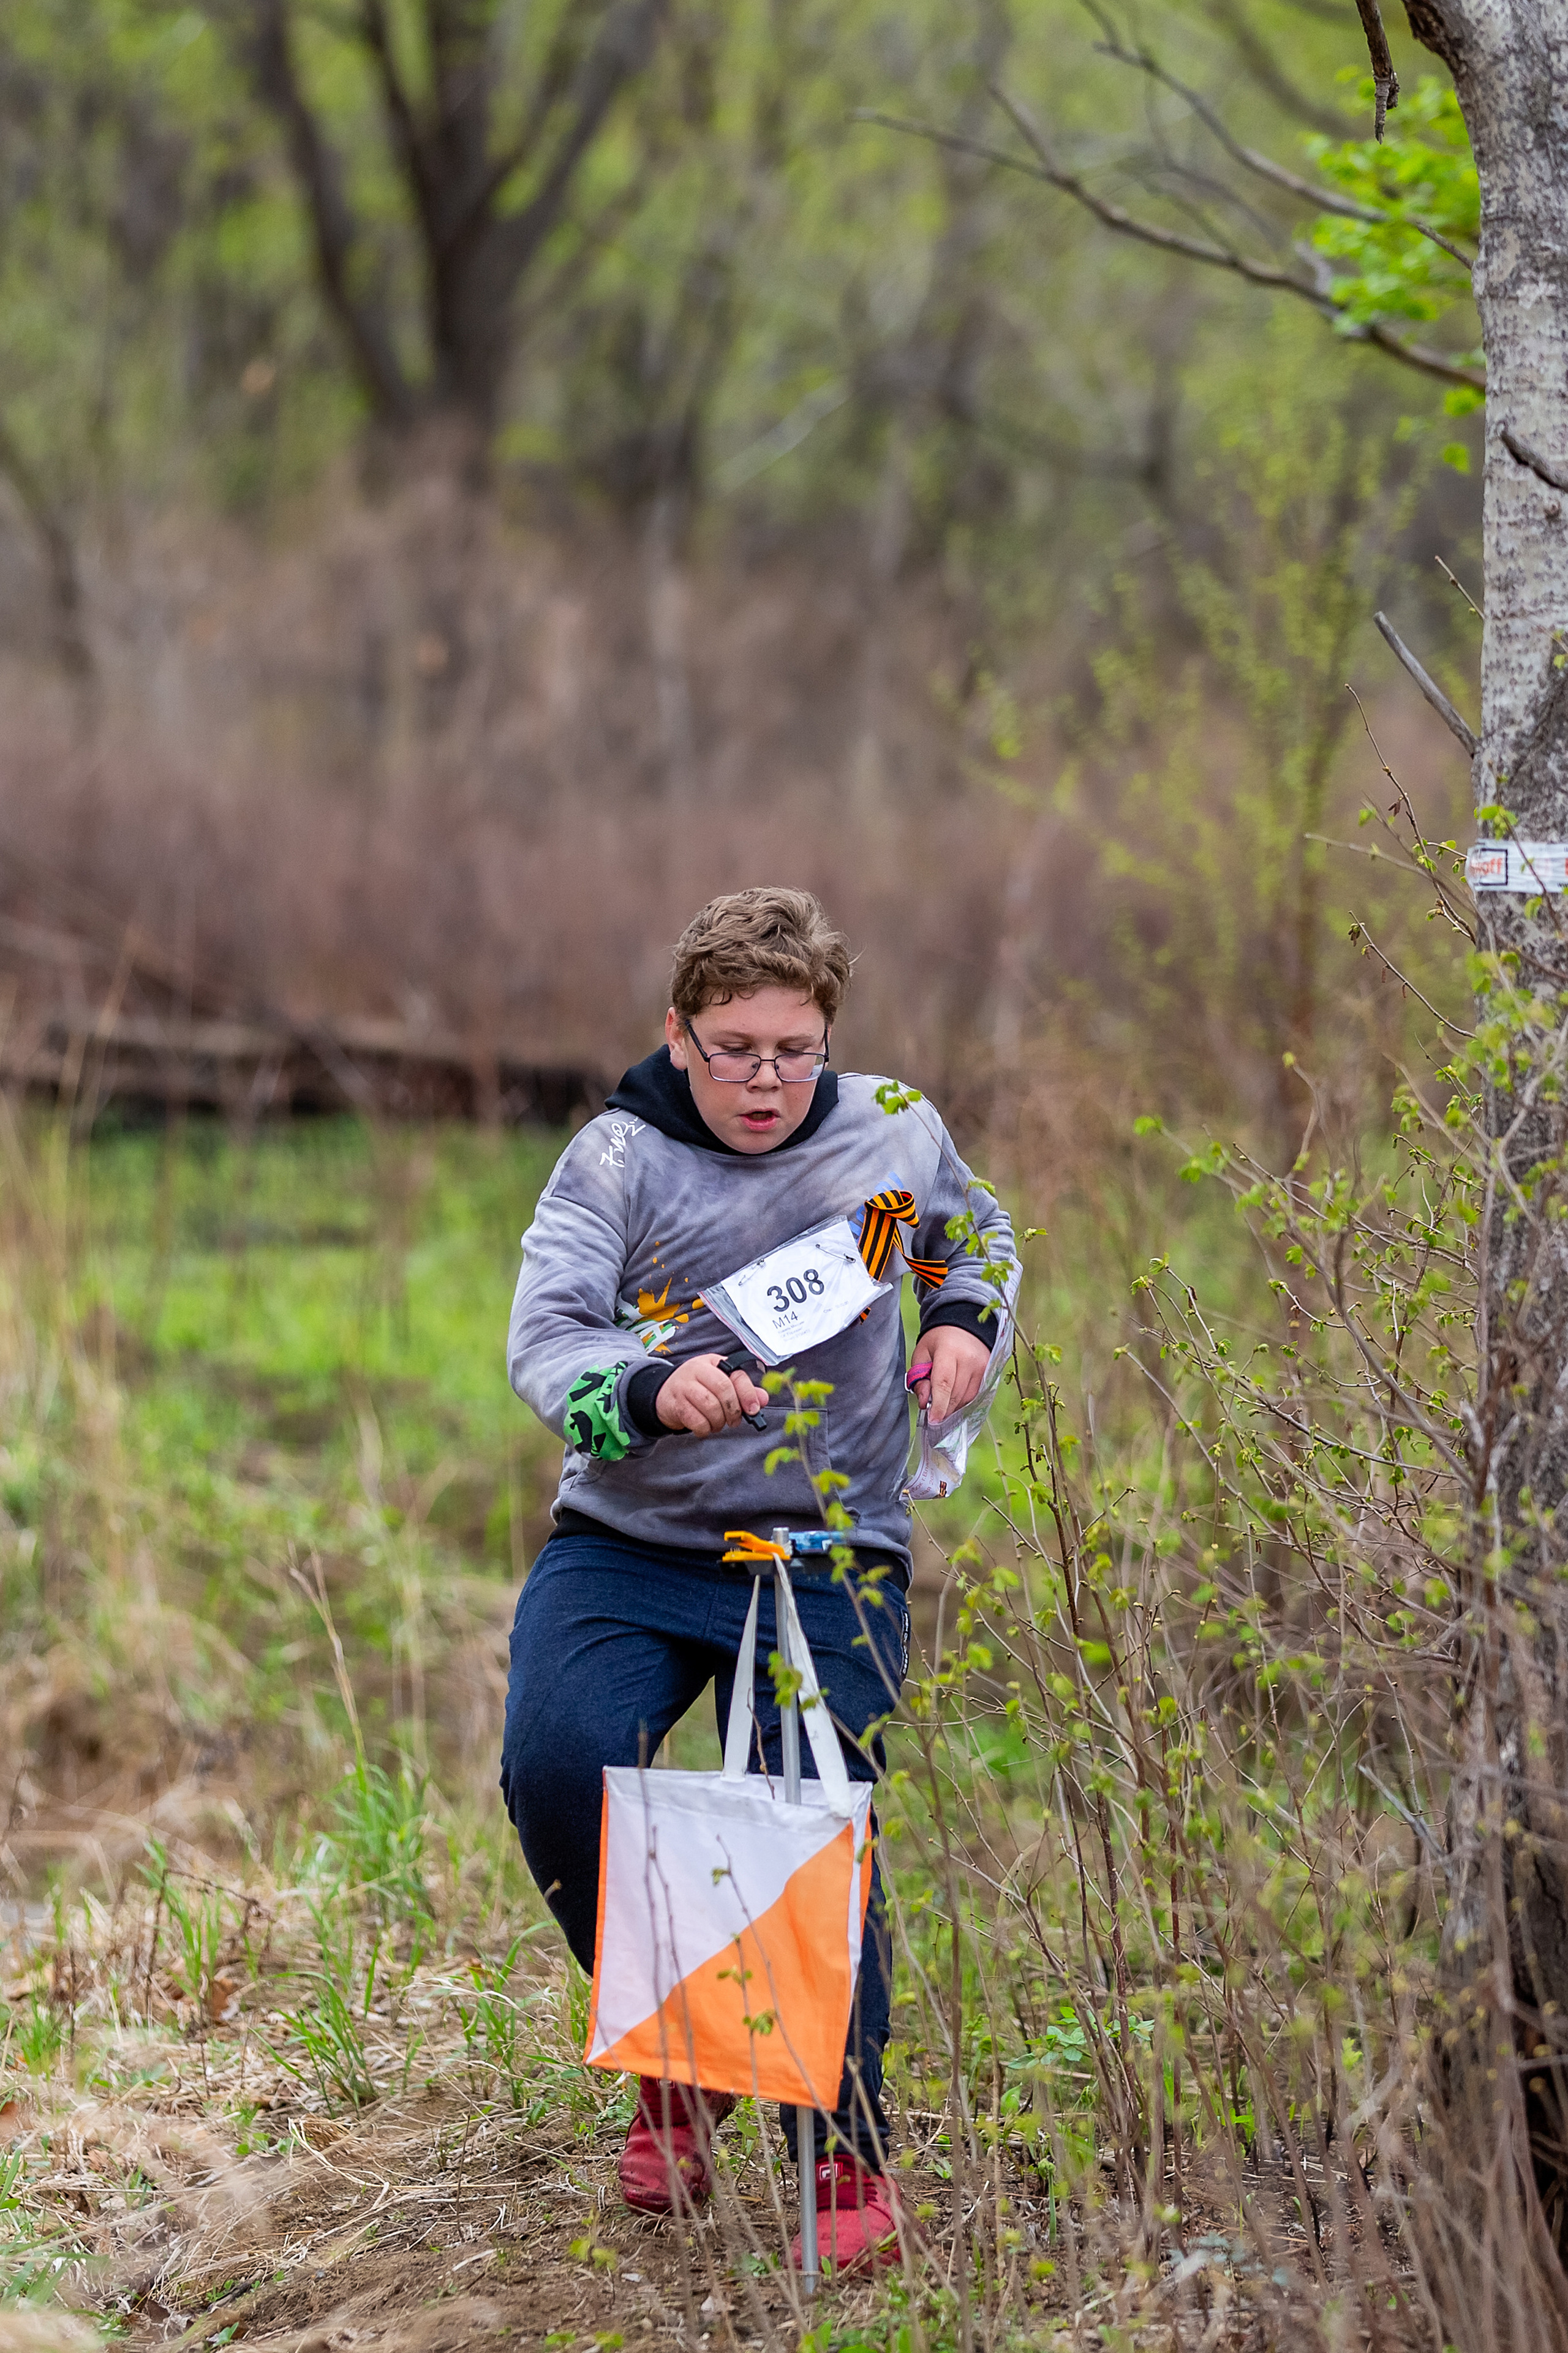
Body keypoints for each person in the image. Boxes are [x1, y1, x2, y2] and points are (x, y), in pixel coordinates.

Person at [500, 886, 1017, 2273]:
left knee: (807, 1813)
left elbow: (971, 1237)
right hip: (630, 1539)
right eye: (733, 1049)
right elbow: (545, 1338)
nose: (765, 1081)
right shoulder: (615, 1159)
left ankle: (842, 2146)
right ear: (678, 1034)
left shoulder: (890, 1131)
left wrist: (961, 1322)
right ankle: (695, 2037)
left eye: (794, 1050)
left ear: (828, 1038)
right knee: (554, 1765)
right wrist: (648, 1387)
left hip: (829, 1542)